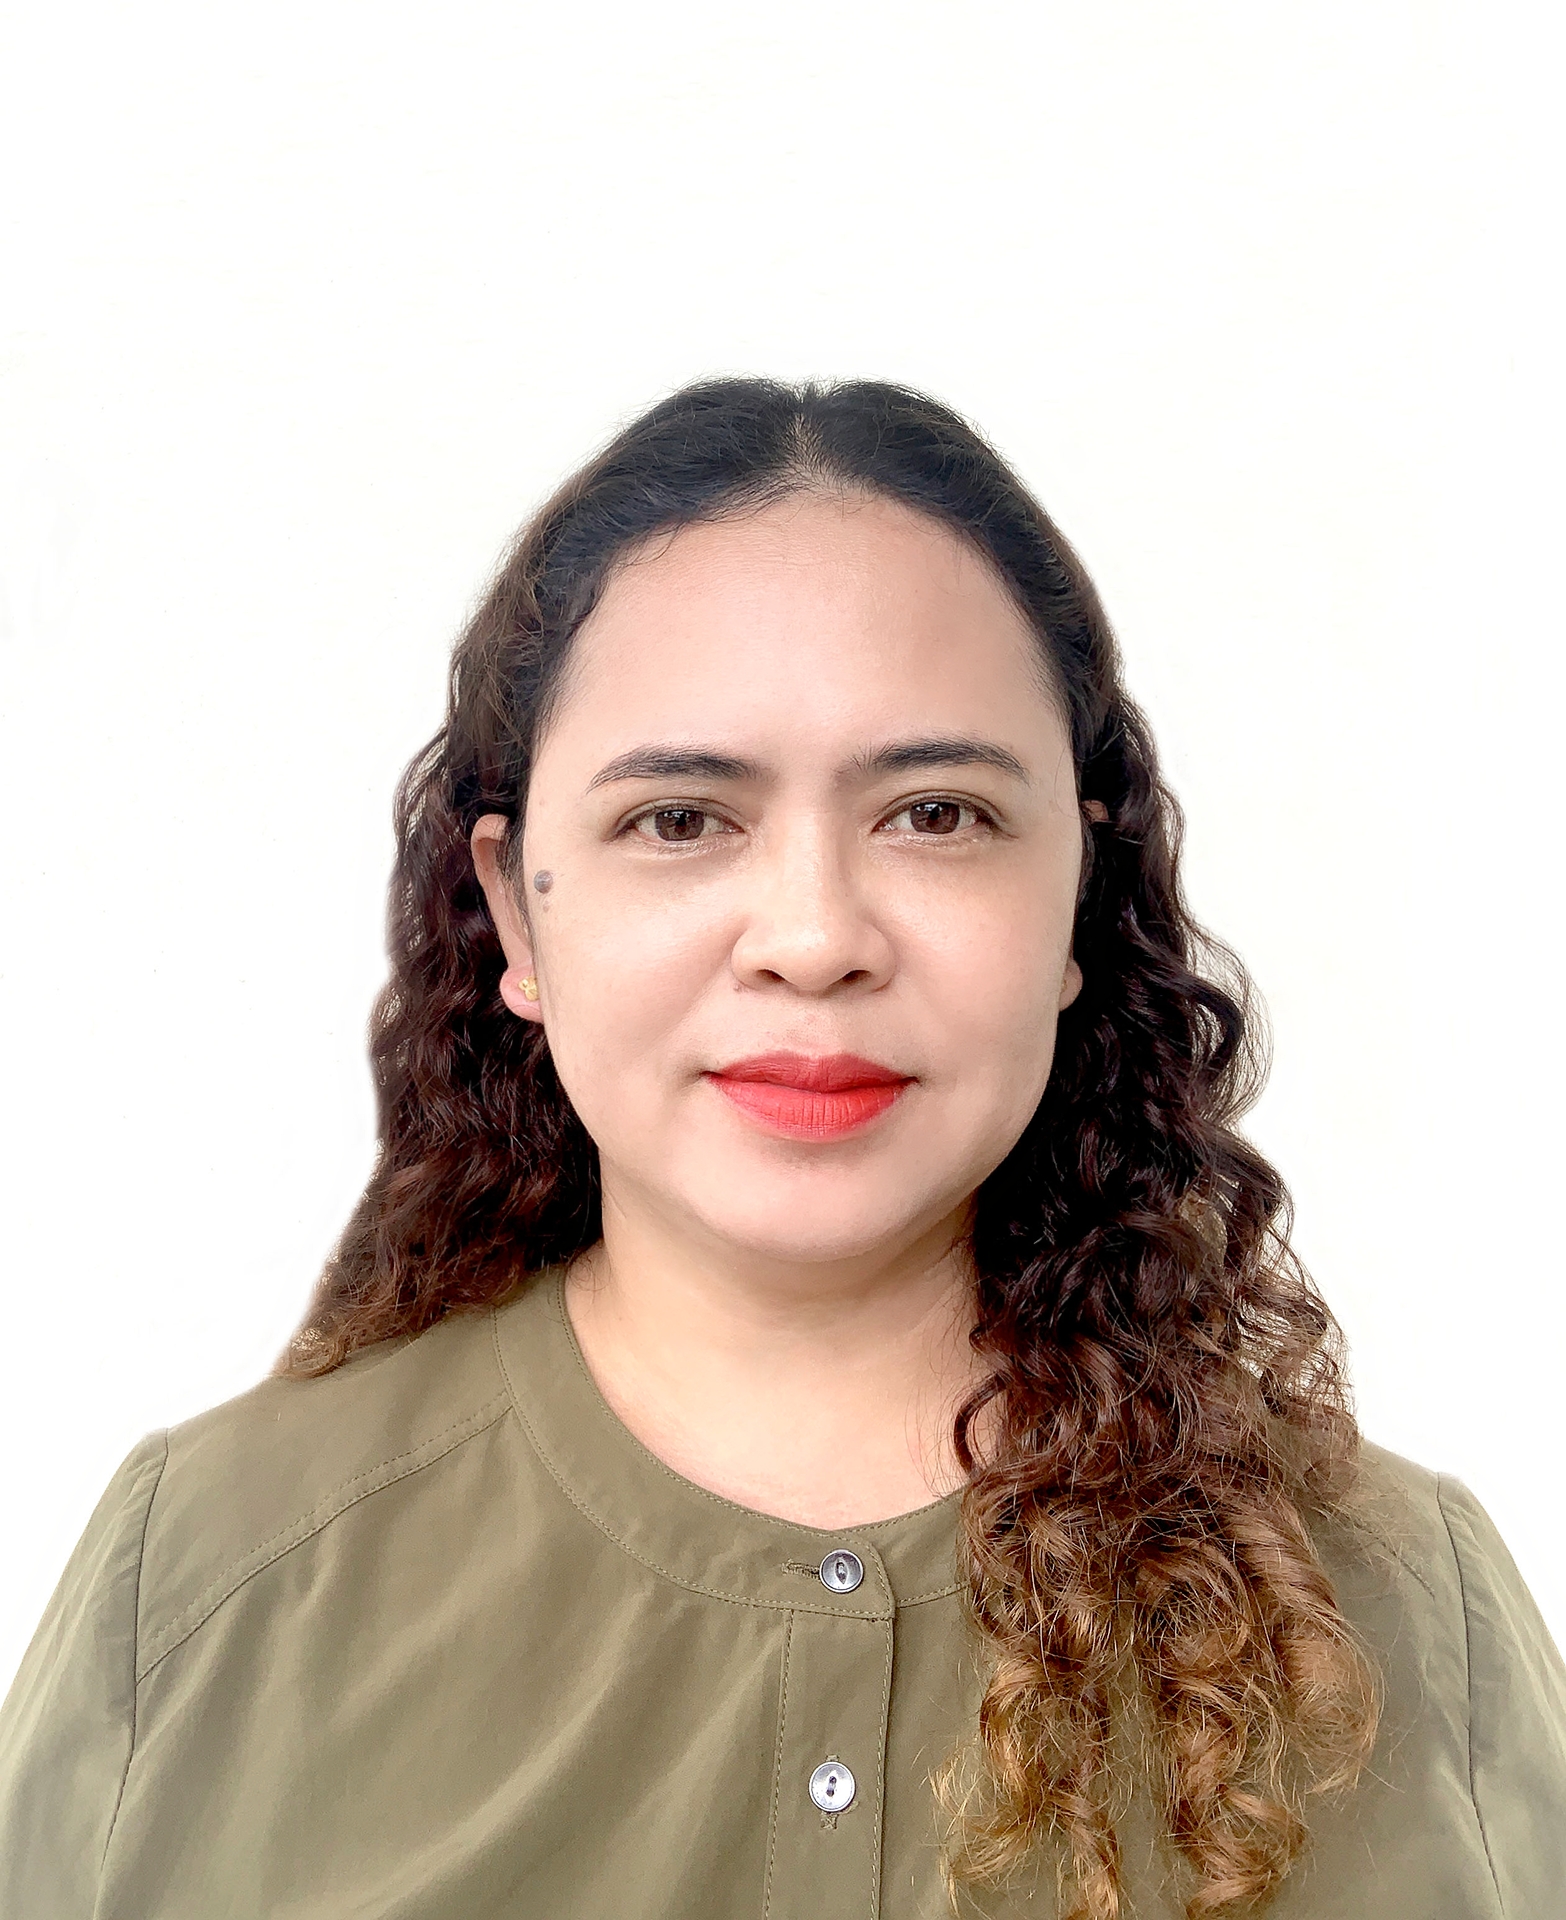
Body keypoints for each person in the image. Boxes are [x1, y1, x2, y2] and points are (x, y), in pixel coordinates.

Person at [1, 379, 1562, 1920]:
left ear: (1077, 897)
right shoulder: (203, 1577)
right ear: (515, 913)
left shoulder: (1402, 1612)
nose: (813, 939)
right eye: (679, 820)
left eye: (935, 814)